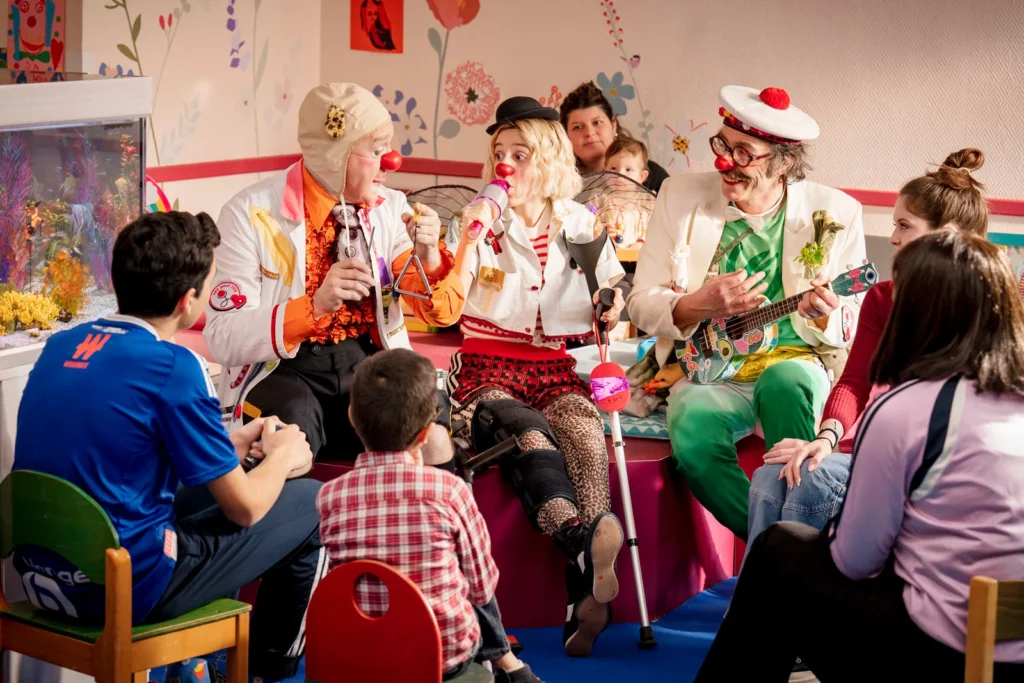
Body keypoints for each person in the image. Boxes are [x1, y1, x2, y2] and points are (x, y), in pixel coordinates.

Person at [695, 229, 1024, 682]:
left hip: (941, 655)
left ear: (917, 314)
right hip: (1009, 642)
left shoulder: (905, 408)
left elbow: (855, 559)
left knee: (779, 552)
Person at [12, 211, 322, 682]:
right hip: (123, 589)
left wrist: (229, 445)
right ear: (187, 300)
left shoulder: (62, 345)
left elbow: (122, 456)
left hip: (44, 578)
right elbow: (245, 509)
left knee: (209, 495)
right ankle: (268, 670)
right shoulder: (173, 365)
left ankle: (200, 667)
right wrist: (280, 458)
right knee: (311, 503)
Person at [626, 85, 866, 539]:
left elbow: (847, 322)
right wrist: (699, 303)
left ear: (784, 164)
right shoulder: (678, 196)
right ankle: (775, 550)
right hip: (708, 367)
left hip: (795, 358)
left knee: (786, 383)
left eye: (743, 153)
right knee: (692, 435)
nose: (723, 162)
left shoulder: (836, 212)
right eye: (721, 145)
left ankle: (784, 554)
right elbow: (640, 303)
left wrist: (821, 314)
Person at [450, 95, 626, 657]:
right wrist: (465, 241)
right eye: (499, 153)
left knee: (583, 434)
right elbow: (447, 296)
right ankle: (580, 545)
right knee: (529, 433)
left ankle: (584, 596)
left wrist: (611, 302)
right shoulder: (479, 218)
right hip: (487, 363)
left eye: (519, 154)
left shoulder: (579, 220)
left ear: (547, 157)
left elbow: (613, 286)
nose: (505, 164)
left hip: (556, 362)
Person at [205, 83, 463, 462]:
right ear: (336, 157)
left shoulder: (391, 207)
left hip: (368, 359)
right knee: (286, 437)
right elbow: (223, 338)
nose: (391, 162)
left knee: (432, 428)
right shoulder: (249, 214)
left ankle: (436, 518)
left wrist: (428, 257)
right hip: (284, 368)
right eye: (376, 151)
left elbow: (440, 313)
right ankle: (294, 518)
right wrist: (314, 306)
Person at [748, 148, 989, 544]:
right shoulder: (882, 299)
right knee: (770, 477)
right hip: (870, 452)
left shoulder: (986, 306)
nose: (892, 237)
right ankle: (752, 606)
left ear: (945, 235)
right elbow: (854, 382)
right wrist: (824, 439)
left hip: (930, 466)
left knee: (814, 481)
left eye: (905, 226)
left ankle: (799, 603)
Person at [317, 349, 542, 682]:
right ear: (426, 433)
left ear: (351, 417)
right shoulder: (449, 491)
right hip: (442, 662)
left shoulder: (329, 496)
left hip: (359, 660)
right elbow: (481, 587)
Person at [559, 81, 669, 193]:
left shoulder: (652, 175)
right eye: (578, 127)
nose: (589, 133)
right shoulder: (559, 182)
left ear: (613, 126)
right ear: (566, 135)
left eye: (597, 122)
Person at [601, 137, 652, 248]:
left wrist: (641, 243)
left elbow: (657, 230)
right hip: (609, 255)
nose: (620, 175)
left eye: (628, 170)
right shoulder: (599, 200)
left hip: (640, 256)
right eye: (613, 168)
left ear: (641, 176)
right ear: (604, 172)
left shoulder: (648, 202)